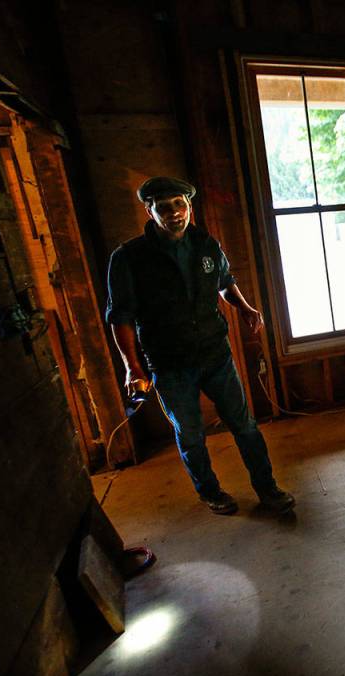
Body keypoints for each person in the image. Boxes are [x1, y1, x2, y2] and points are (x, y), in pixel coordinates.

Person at [106, 176, 295, 515]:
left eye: (180, 204)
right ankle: (210, 491)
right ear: (149, 211)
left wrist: (247, 308)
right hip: (169, 362)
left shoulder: (206, 244)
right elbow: (120, 316)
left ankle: (267, 488)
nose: (174, 213)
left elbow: (224, 283)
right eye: (164, 207)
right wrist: (132, 367)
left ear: (189, 207)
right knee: (191, 434)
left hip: (215, 353)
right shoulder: (129, 258)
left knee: (244, 425)